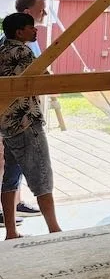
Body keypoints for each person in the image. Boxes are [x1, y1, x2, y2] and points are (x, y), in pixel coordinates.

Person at [0, 12, 61, 240]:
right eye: (30, 27)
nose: (35, 30)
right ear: (19, 32)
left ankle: (11, 232)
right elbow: (44, 78)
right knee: (42, 178)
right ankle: (54, 230)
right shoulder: (23, 52)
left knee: (10, 179)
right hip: (27, 122)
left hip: (7, 123)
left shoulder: (2, 49)